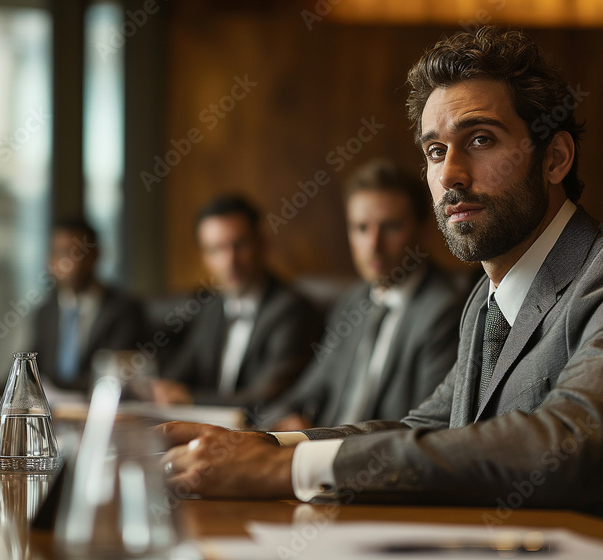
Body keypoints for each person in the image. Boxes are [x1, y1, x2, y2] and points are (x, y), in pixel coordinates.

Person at [159, 27, 603, 551]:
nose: (449, 175)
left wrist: (280, 472)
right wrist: (260, 445)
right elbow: (425, 431)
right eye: (435, 151)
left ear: (556, 157)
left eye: (481, 140)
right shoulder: (485, 302)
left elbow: (569, 447)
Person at [262, 159, 465, 430]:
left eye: (390, 227)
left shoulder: (446, 309)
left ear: (424, 229)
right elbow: (302, 393)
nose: (373, 245)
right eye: (361, 228)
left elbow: (425, 429)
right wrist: (284, 419)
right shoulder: (349, 303)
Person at [154, 195, 323, 409]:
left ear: (262, 244)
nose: (230, 261)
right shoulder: (210, 306)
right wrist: (160, 389)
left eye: (239, 245)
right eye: (216, 249)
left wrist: (191, 399)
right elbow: (183, 370)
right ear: (204, 258)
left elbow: (268, 397)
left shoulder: (293, 310)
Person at [32, 218, 147, 392]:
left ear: (95, 255)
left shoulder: (124, 310)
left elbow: (115, 376)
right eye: (61, 253)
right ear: (50, 259)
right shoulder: (45, 313)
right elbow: (29, 368)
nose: (69, 264)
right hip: (52, 411)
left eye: (77, 253)